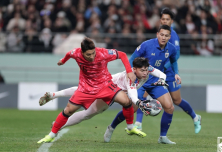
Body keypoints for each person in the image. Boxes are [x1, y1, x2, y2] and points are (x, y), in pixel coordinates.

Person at [39, 57, 167, 142]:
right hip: (111, 91)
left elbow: (162, 74)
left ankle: (54, 95)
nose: (145, 73)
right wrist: (139, 103)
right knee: (87, 114)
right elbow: (133, 93)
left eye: (146, 70)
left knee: (81, 89)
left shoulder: (147, 69)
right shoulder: (131, 77)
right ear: (134, 69)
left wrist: (162, 80)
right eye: (142, 71)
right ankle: (60, 124)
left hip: (106, 82)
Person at [37, 37, 139, 143]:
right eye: (88, 55)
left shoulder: (103, 53)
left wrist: (129, 71)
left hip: (105, 85)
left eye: (93, 53)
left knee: (126, 101)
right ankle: (51, 135)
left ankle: (130, 127)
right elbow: (69, 54)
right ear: (82, 52)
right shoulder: (76, 53)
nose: (91, 56)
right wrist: (63, 61)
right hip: (86, 87)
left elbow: (121, 54)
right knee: (68, 110)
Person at [105, 25, 181, 144]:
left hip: (155, 82)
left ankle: (162, 137)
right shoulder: (146, 45)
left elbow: (173, 61)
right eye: (161, 34)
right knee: (132, 108)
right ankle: (111, 127)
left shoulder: (171, 49)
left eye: (166, 35)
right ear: (157, 34)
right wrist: (130, 74)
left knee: (170, 107)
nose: (163, 37)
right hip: (140, 82)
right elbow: (131, 60)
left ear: (169, 37)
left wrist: (176, 73)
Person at [135, 8, 201, 134]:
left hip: (168, 72)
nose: (165, 21)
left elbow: (176, 56)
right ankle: (138, 123)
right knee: (143, 93)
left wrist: (164, 67)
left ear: (172, 21)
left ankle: (195, 117)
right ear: (161, 20)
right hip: (156, 72)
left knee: (176, 100)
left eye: (167, 19)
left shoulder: (173, 35)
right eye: (163, 19)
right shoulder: (160, 34)